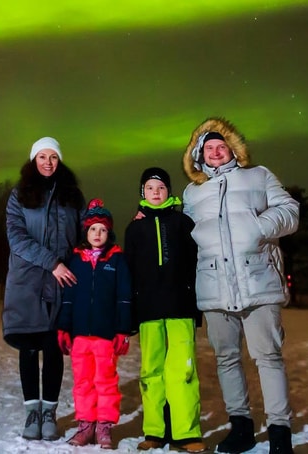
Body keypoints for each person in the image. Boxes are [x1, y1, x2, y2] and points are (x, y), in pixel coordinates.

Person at [181, 118, 299, 454]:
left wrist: (259, 227)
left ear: (232, 149)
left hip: (258, 280)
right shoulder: (193, 191)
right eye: (209, 148)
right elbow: (183, 230)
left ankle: (279, 432)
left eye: (221, 147)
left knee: (268, 357)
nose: (216, 152)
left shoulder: (258, 176)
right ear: (199, 155)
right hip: (214, 285)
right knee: (227, 359)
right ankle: (241, 428)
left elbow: (290, 211)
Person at [3, 137, 84, 441]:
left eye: (53, 157)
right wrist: (52, 262)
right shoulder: (19, 196)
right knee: (28, 346)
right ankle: (31, 414)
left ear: (59, 160)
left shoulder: (71, 195)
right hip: (28, 281)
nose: (48, 163)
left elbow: (85, 232)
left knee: (54, 347)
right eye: (42, 157)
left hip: (62, 282)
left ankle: (49, 412)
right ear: (33, 160)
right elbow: (18, 239)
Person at [123, 167, 205, 453]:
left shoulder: (183, 223)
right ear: (142, 193)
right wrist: (130, 312)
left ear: (169, 192)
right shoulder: (135, 228)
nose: (155, 192)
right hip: (148, 311)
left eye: (160, 188)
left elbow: (196, 265)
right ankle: (155, 431)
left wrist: (196, 304)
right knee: (151, 372)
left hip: (180, 307)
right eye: (149, 188)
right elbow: (129, 272)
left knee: (182, 371)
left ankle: (186, 432)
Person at [56, 199, 133, 449]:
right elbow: (68, 298)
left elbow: (124, 297)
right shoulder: (76, 260)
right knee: (83, 382)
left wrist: (122, 330)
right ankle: (86, 424)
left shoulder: (117, 260)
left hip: (105, 335)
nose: (97, 234)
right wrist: (64, 327)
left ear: (109, 232)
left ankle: (104, 426)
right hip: (80, 336)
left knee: (105, 381)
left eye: (102, 229)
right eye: (92, 229)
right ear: (85, 232)